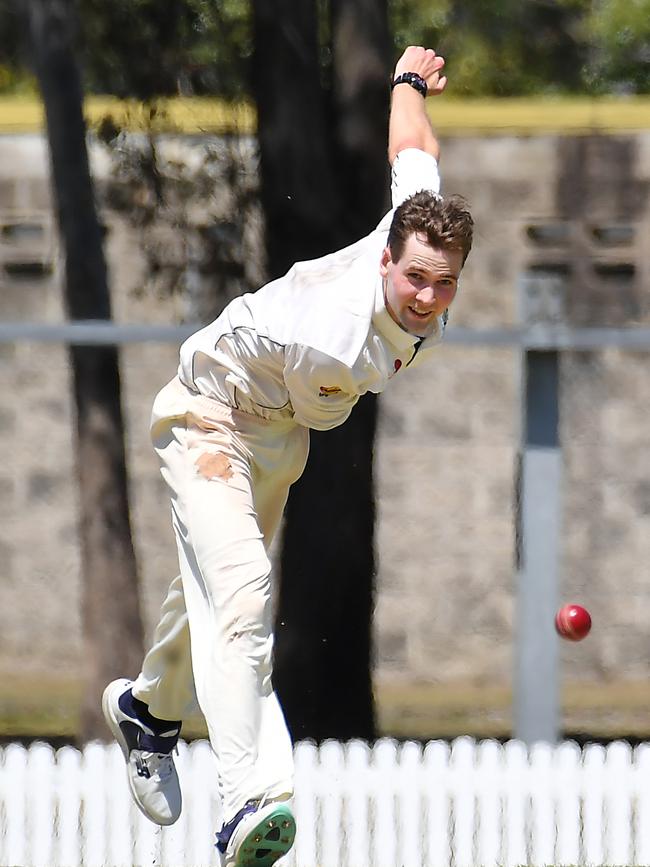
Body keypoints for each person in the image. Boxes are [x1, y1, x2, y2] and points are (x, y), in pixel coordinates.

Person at [102, 45, 473, 867]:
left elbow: (415, 151)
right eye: (415, 279)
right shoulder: (335, 341)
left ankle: (149, 710)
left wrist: (408, 80)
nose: (427, 299)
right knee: (241, 595)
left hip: (275, 429)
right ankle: (250, 800)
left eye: (444, 284)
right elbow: (313, 399)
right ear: (386, 259)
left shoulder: (415, 224)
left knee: (208, 586)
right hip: (211, 415)